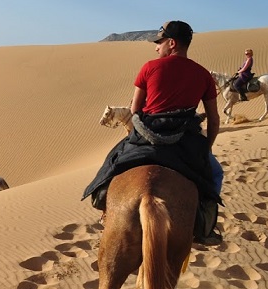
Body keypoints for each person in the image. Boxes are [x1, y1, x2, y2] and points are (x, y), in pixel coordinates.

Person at [83, 20, 223, 245]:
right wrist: (205, 149)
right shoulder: (203, 74)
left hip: (146, 135)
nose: (156, 47)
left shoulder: (149, 67)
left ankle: (104, 208)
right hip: (185, 139)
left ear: (172, 43)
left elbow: (135, 110)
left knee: (112, 161)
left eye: (159, 42)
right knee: (215, 174)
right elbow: (214, 120)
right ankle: (204, 228)